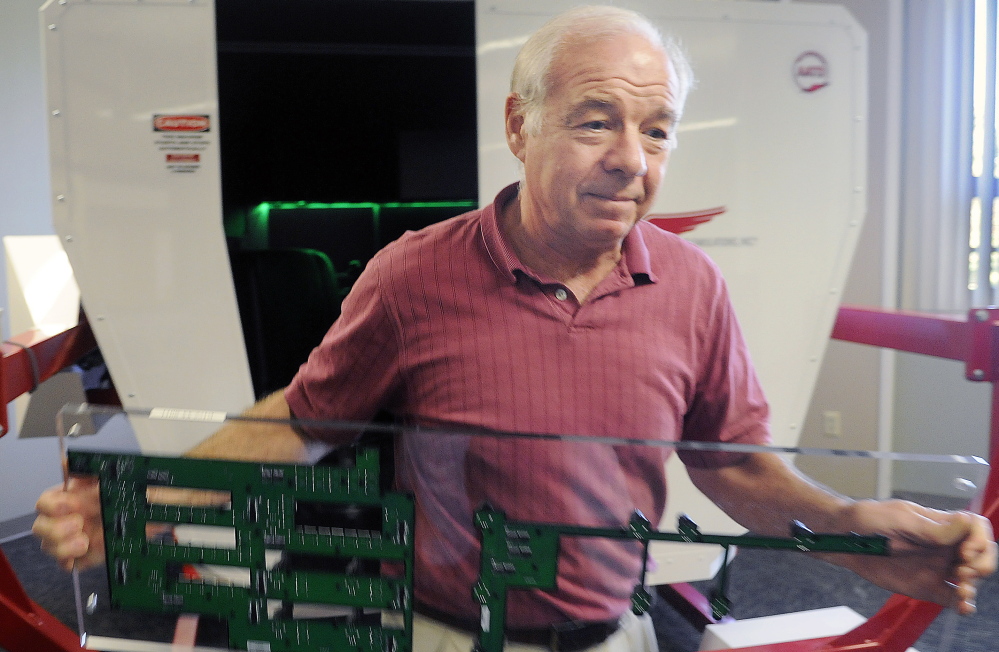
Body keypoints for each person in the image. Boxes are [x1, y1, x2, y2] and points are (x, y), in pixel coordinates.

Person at [33, 6, 996, 652]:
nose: (632, 161)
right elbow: (304, 419)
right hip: (444, 630)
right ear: (519, 125)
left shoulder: (693, 286)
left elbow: (733, 464)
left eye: (657, 130)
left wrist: (848, 530)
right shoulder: (414, 274)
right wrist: (152, 506)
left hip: (613, 629)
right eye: (595, 122)